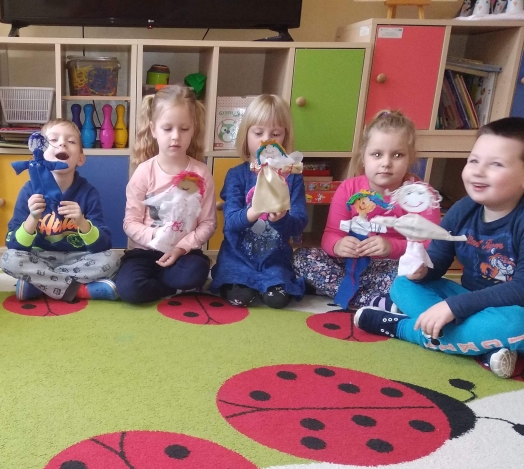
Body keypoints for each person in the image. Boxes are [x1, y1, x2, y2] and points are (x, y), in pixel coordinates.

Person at [355, 117, 524, 379]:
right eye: (473, 160)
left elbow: (520, 290)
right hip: (468, 299)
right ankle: (481, 346)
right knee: (403, 285)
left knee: (516, 322)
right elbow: (437, 261)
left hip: (512, 307)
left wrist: (453, 308)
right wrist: (422, 270)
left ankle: (403, 329)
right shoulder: (463, 209)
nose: (478, 171)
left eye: (496, 164)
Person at [293, 110, 440, 308]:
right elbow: (331, 234)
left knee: (414, 276)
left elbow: (431, 245)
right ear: (364, 157)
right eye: (377, 154)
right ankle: (372, 299)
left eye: (397, 155)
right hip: (350, 265)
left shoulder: (421, 195)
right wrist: (338, 245)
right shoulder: (348, 188)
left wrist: (391, 246)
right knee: (301, 257)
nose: (386, 163)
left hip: (391, 267)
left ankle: (345, 291)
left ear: (410, 158)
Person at [117, 85, 216, 304]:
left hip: (183, 253)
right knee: (130, 289)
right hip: (145, 252)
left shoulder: (201, 173)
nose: (175, 137)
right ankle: (170, 286)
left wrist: (181, 247)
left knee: (195, 271)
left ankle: (169, 283)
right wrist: (155, 235)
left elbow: (208, 223)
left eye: (184, 129)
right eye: (167, 128)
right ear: (153, 129)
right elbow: (130, 223)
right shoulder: (144, 171)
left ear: (193, 129)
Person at [1, 119, 119, 301]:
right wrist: (33, 218)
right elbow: (13, 245)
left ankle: (40, 285)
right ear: (39, 153)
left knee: (113, 259)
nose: (62, 143)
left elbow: (103, 245)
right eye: (53, 140)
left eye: (71, 141)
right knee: (9, 259)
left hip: (78, 258)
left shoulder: (88, 193)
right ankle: (78, 291)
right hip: (40, 257)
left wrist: (82, 223)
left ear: (80, 158)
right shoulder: (29, 190)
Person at [210, 94, 308, 308]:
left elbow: (299, 222)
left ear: (285, 137)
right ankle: (239, 281)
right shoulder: (236, 175)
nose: (266, 141)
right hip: (237, 258)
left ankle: (269, 282)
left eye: (275, 134)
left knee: (277, 299)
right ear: (246, 135)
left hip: (273, 259)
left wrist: (282, 218)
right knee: (240, 297)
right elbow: (231, 222)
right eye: (258, 133)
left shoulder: (292, 177)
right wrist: (254, 210)